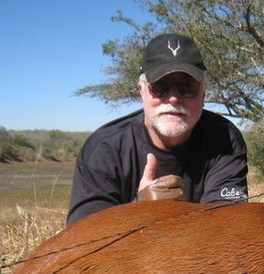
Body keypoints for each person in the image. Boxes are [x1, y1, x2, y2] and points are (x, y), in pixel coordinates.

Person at [66, 33, 249, 225]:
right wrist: (138, 211)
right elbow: (82, 243)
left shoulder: (225, 139)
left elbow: (227, 227)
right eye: (160, 86)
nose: (173, 98)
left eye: (187, 87)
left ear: (203, 92)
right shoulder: (103, 149)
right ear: (141, 90)